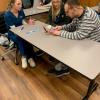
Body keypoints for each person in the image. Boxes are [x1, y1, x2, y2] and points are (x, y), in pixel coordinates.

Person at [47, 0, 100, 77]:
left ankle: (65, 68)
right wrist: (61, 27)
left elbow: (78, 35)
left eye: (67, 12)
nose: (66, 14)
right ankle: (64, 65)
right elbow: (72, 25)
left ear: (74, 9)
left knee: (68, 46)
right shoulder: (80, 12)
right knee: (65, 42)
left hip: (93, 43)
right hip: (85, 38)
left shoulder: (89, 17)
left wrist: (60, 33)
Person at [4, 0, 36, 69]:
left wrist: (28, 23)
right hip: (13, 33)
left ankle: (29, 57)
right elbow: (14, 30)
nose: (21, 6)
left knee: (28, 37)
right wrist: (24, 31)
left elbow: (23, 21)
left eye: (21, 4)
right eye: (18, 4)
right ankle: (24, 56)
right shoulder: (7, 15)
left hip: (22, 30)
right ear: (12, 4)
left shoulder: (21, 11)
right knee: (21, 38)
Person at [47, 0, 72, 77]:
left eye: (57, 2)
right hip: (55, 29)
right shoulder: (51, 8)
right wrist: (52, 27)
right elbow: (48, 20)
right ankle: (53, 55)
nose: (55, 4)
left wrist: (55, 27)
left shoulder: (65, 9)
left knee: (59, 44)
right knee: (48, 40)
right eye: (53, 2)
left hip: (63, 31)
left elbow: (66, 23)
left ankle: (62, 63)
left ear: (60, 1)